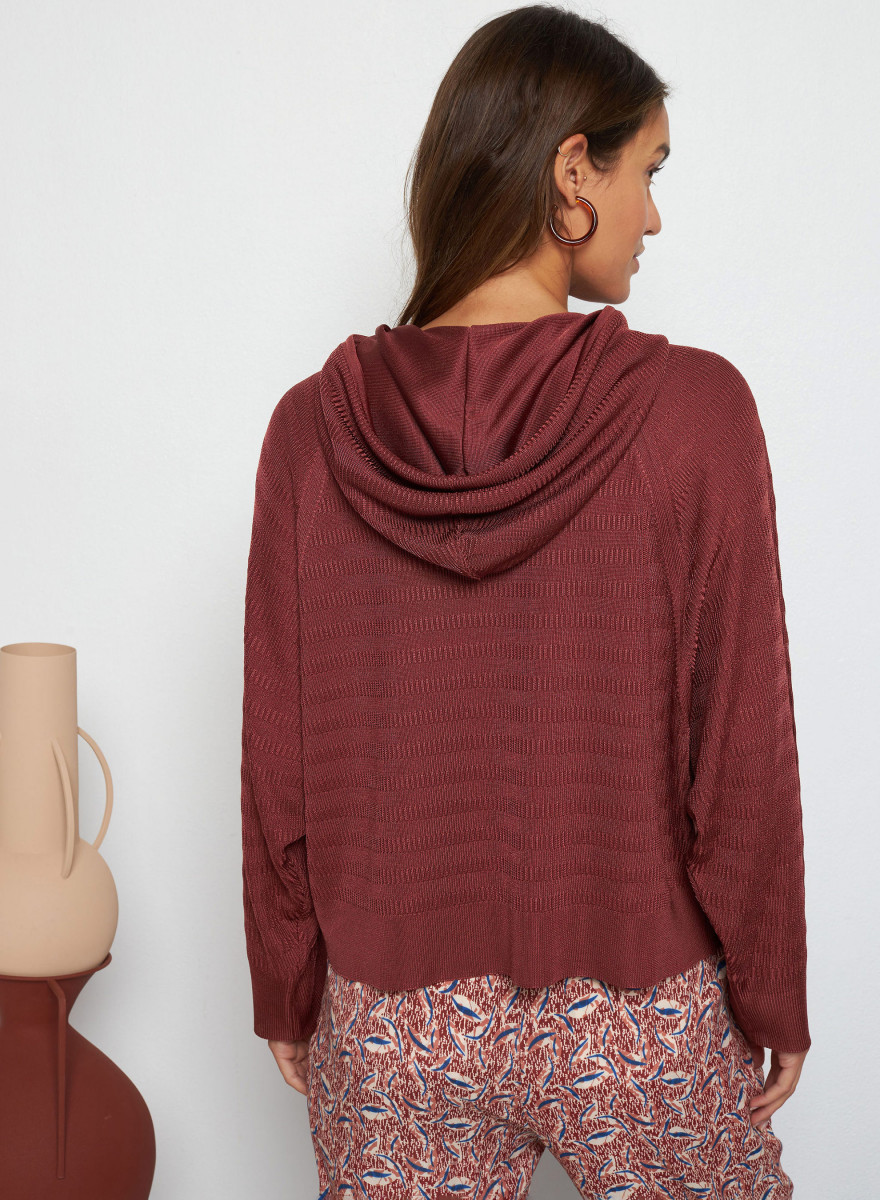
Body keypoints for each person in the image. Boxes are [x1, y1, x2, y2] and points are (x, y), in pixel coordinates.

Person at [240, 6, 811, 1197]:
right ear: (572, 170)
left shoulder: (311, 431)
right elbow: (739, 748)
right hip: (637, 1012)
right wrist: (769, 990)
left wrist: (287, 981)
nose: (653, 216)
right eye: (648, 170)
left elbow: (276, 758)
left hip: (390, 1025)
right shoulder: (695, 414)